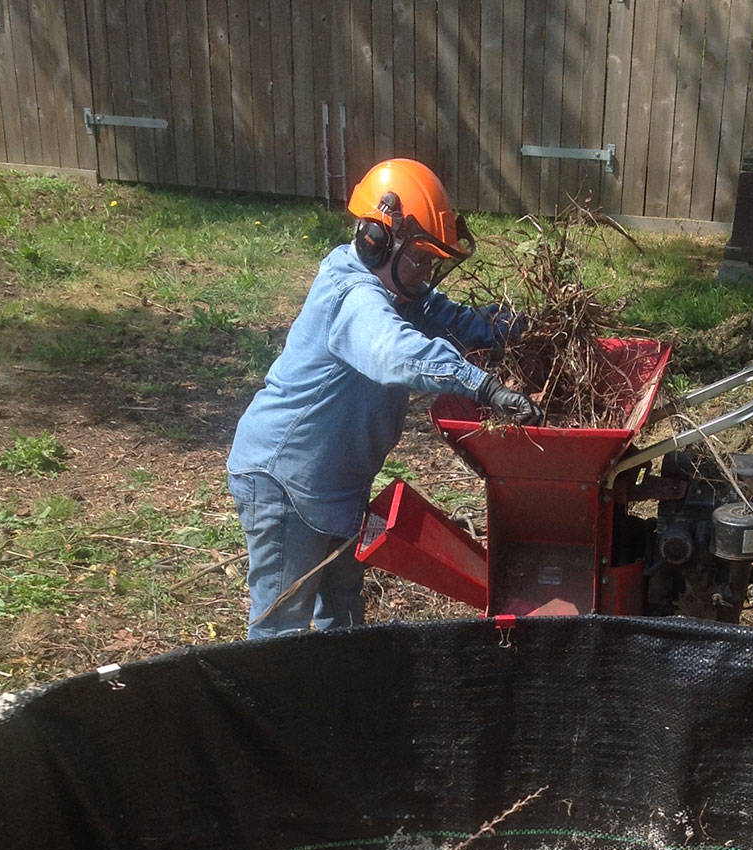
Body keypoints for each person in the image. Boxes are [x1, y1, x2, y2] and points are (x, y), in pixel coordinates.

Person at [227, 158, 542, 640]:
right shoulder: (353, 295)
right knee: (281, 631)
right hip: (285, 480)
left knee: (345, 614)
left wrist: (522, 330)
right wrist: (483, 386)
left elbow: (454, 321)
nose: (426, 275)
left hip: (337, 482)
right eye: (419, 260)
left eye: (433, 263)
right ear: (374, 240)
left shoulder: (402, 292)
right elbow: (394, 352)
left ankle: (345, 703)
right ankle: (273, 710)